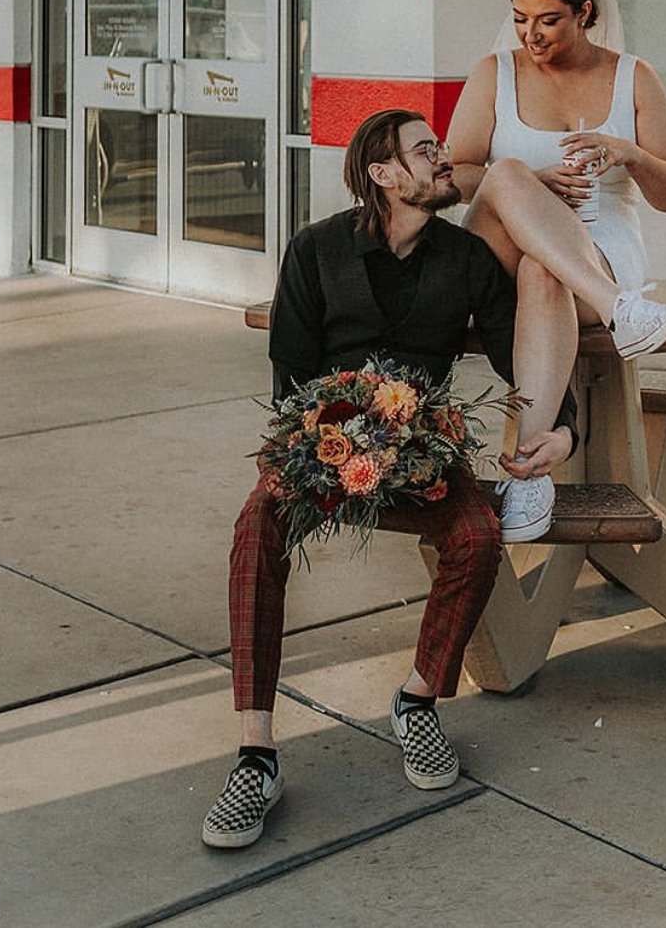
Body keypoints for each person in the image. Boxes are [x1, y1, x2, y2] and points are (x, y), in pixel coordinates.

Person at [200, 107, 575, 850]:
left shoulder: (467, 259)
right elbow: (290, 379)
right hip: (325, 443)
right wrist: (328, 439)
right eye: (426, 151)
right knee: (256, 529)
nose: (445, 161)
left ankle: (418, 701)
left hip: (423, 447)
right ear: (382, 174)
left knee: (476, 535)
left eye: (439, 149)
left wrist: (564, 429)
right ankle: (255, 753)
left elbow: (520, 360)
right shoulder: (313, 251)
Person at [446, 0, 666, 541]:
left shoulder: (634, 76)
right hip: (498, 240)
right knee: (505, 175)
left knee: (542, 272)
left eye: (548, 20)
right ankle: (622, 312)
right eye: (520, 19)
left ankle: (531, 474)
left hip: (599, 239)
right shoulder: (494, 72)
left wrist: (629, 152)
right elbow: (456, 174)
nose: (531, 35)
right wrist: (531, 182)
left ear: (585, 12)